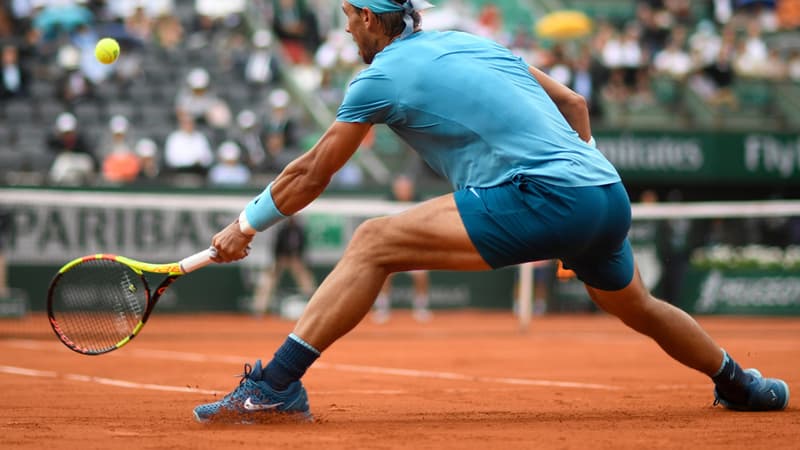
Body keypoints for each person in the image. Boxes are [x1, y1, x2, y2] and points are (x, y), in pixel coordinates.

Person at [194, 0, 789, 423]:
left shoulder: (377, 79)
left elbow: (312, 173)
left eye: (349, 17)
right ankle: (742, 384)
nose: (347, 29)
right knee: (639, 305)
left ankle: (274, 387)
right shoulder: (472, 43)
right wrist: (580, 205)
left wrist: (245, 226)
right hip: (605, 190)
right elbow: (574, 102)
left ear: (371, 20)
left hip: (547, 195)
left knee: (373, 241)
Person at [372, 174, 431, 323]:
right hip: (394, 247)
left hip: (415, 248)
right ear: (395, 189)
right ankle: (382, 308)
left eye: (406, 187)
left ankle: (421, 307)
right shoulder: (386, 203)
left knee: (421, 276)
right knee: (384, 275)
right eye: (400, 187)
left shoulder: (420, 202)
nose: (403, 190)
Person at [250, 215, 316, 318]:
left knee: (306, 279)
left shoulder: (299, 230)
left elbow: (303, 246)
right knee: (268, 281)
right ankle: (260, 308)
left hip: (295, 258)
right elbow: (276, 246)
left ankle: (314, 305)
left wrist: (299, 259)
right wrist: (277, 262)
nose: (292, 219)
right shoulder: (282, 229)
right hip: (281, 257)